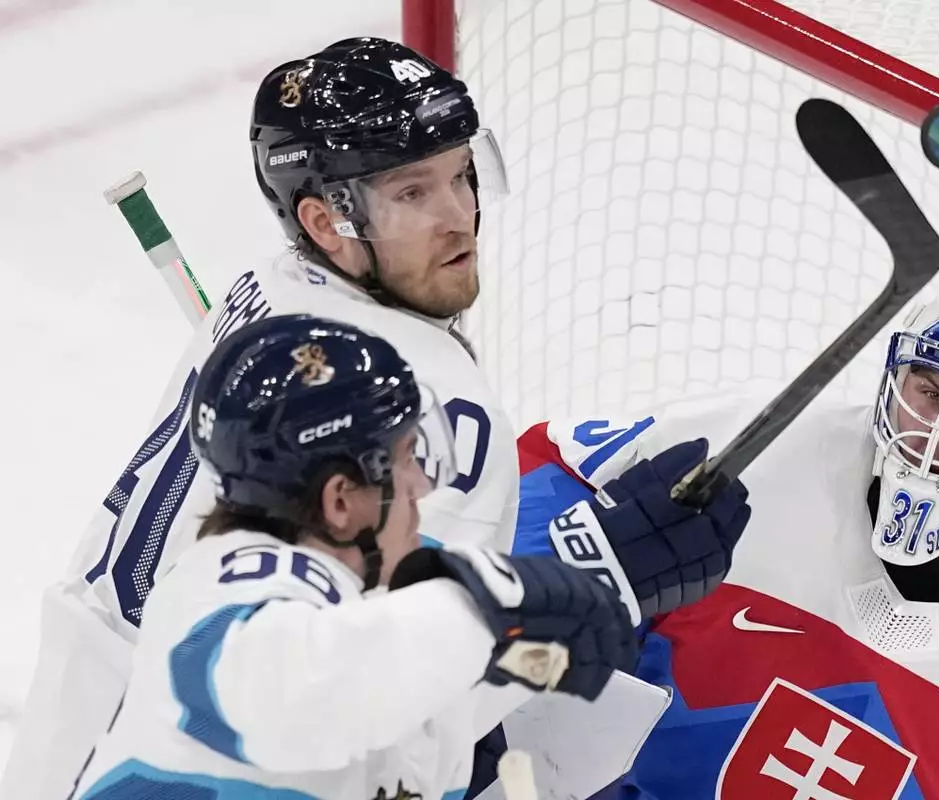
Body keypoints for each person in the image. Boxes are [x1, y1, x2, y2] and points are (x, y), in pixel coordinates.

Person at [3, 37, 751, 799]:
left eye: (464, 176)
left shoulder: (272, 294)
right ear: (327, 222)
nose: (461, 217)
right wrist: (607, 573)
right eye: (413, 193)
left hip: (87, 723)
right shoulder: (420, 399)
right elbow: (394, 698)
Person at [511, 264, 939, 799]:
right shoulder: (740, 449)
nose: (938, 437)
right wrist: (582, 566)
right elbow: (513, 496)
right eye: (928, 392)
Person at [71, 313, 644, 799]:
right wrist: (476, 603)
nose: (422, 484)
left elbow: (399, 715)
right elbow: (301, 694)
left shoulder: (355, 631)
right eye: (406, 457)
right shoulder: (217, 591)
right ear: (342, 500)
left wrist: (525, 652)